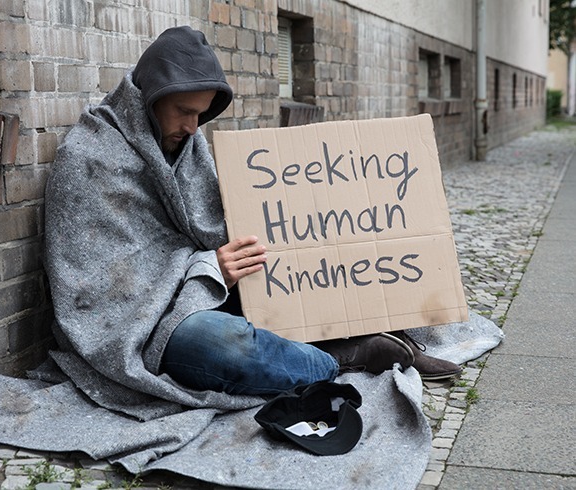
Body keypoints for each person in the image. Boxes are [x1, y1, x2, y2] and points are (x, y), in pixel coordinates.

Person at [44, 26, 460, 401]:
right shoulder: (89, 156)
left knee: (296, 269)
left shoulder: (185, 145)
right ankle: (347, 355)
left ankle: (373, 326)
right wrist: (208, 269)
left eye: (201, 114)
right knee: (216, 345)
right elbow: (103, 291)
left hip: (198, 291)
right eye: (184, 111)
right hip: (142, 326)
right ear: (150, 98)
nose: (193, 127)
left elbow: (211, 230)